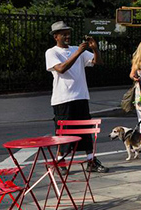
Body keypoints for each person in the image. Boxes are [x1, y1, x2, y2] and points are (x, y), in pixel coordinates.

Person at [45, 21, 108, 173]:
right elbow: (61, 69)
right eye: (63, 34)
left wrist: (94, 49)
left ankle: (91, 160)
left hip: (81, 96)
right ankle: (61, 162)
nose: (67, 36)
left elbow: (98, 62)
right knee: (64, 132)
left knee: (86, 131)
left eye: (68, 33)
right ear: (56, 37)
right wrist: (78, 52)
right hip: (63, 99)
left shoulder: (75, 49)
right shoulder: (52, 52)